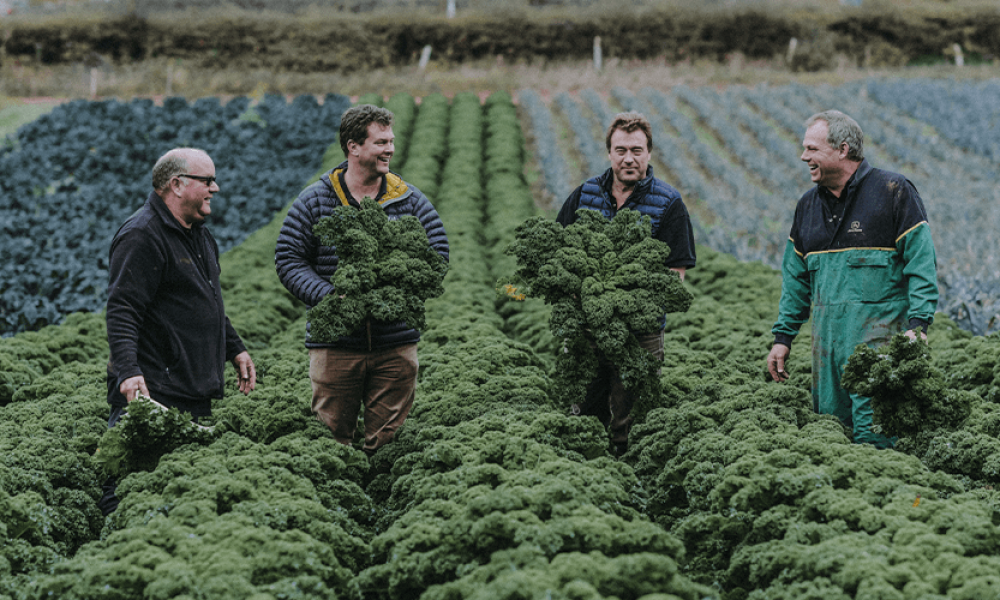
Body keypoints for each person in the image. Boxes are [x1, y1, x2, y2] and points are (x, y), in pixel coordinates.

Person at [275, 104, 449, 456]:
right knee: (331, 440)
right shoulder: (315, 200)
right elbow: (289, 259)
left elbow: (438, 253)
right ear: (353, 147)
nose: (391, 150)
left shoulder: (409, 200)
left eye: (391, 141)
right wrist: (330, 297)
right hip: (335, 344)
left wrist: (395, 291)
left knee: (389, 443)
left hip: (394, 343)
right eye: (381, 142)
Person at [766, 110, 938, 448]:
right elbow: (796, 281)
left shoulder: (893, 191)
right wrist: (783, 337)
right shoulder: (807, 208)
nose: (804, 157)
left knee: (878, 441)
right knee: (832, 437)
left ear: (843, 149)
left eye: (812, 149)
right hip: (826, 348)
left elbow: (922, 265)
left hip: (881, 345)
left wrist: (918, 327)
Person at [103, 147, 257, 514]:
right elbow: (122, 307)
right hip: (153, 391)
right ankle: (114, 550)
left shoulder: (199, 235)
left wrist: (234, 348)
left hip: (192, 387)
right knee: (127, 485)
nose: (215, 188)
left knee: (181, 490)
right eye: (207, 181)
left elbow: (205, 301)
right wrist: (127, 371)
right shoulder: (142, 236)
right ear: (176, 184)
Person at [557, 111, 697, 457]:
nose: (629, 158)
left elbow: (675, 275)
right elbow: (557, 254)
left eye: (637, 150)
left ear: (649, 153)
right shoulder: (584, 195)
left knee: (631, 422)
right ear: (609, 153)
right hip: (587, 331)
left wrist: (624, 301)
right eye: (621, 150)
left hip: (639, 335)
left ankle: (628, 482)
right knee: (583, 413)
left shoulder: (669, 204)